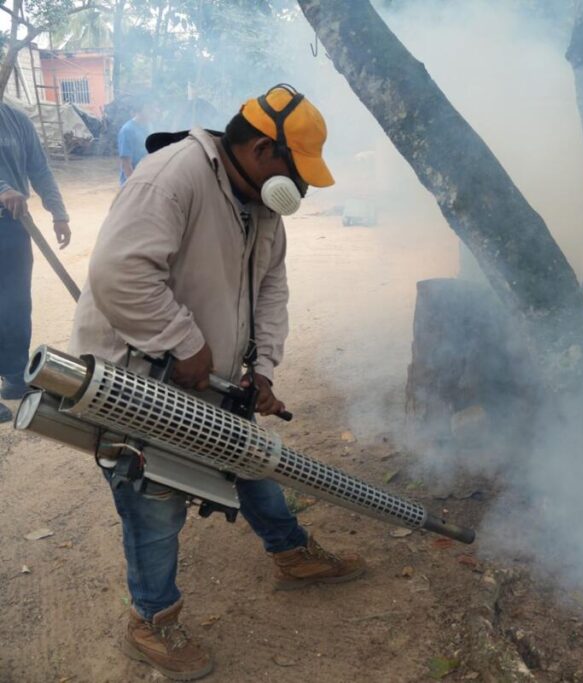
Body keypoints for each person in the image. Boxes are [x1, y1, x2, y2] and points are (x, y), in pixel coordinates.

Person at [70, 85, 365, 681]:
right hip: (139, 377)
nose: (301, 189)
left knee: (251, 460)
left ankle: (290, 552)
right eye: (297, 171)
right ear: (261, 149)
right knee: (154, 496)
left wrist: (264, 369)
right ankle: (151, 620)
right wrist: (183, 342)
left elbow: (271, 289)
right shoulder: (173, 176)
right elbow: (119, 272)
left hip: (213, 379)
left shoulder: (261, 205)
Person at [0, 102, 72, 425]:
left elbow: (39, 169)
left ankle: (15, 375)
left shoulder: (16, 120)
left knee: (16, 304)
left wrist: (58, 213)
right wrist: (1, 189)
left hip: (14, 226)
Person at [117, 101, 156, 184]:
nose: (154, 111)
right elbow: (126, 162)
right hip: (133, 181)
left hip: (146, 179)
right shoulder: (127, 130)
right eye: (150, 108)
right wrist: (132, 184)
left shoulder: (149, 126)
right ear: (140, 110)